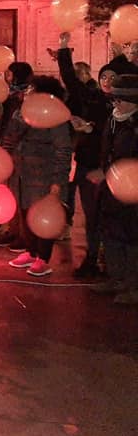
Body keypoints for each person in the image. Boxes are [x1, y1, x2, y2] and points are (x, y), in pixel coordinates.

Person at [56, 34, 136, 277]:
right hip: (89, 165)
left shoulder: (128, 109)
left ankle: (121, 275)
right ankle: (95, 261)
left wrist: (92, 129)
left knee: (121, 223)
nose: (106, 81)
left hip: (119, 174)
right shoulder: (95, 99)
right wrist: (63, 50)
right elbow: (71, 80)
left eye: (112, 78)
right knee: (94, 217)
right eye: (103, 77)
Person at [1, 76, 74, 277]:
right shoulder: (20, 113)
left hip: (44, 176)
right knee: (26, 214)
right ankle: (31, 251)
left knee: (44, 216)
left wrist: (58, 182)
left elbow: (63, 150)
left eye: (32, 89)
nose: (27, 92)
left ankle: (43, 258)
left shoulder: (54, 116)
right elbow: (9, 138)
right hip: (22, 174)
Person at [89, 73, 138, 304]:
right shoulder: (113, 119)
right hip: (111, 187)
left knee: (132, 237)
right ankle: (116, 278)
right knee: (111, 233)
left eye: (120, 99)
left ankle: (132, 286)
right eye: (114, 99)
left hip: (132, 191)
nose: (115, 103)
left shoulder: (134, 124)